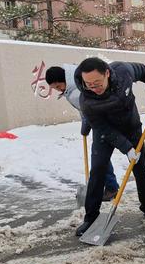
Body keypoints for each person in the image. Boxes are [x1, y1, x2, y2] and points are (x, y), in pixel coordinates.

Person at [74, 57, 145, 237]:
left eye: (97, 83)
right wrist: (126, 148)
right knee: (98, 170)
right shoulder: (86, 100)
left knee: (141, 168)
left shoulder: (123, 72)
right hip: (105, 132)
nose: (94, 88)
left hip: (131, 127)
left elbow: (144, 70)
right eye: (89, 84)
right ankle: (90, 218)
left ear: (107, 73)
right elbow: (101, 127)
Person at [45, 65, 120, 202]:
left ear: (63, 80)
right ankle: (111, 186)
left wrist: (86, 124)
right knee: (100, 157)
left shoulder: (74, 92)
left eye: (58, 86)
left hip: (104, 122)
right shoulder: (75, 75)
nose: (58, 90)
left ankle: (111, 187)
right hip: (105, 119)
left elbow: (89, 110)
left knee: (99, 157)